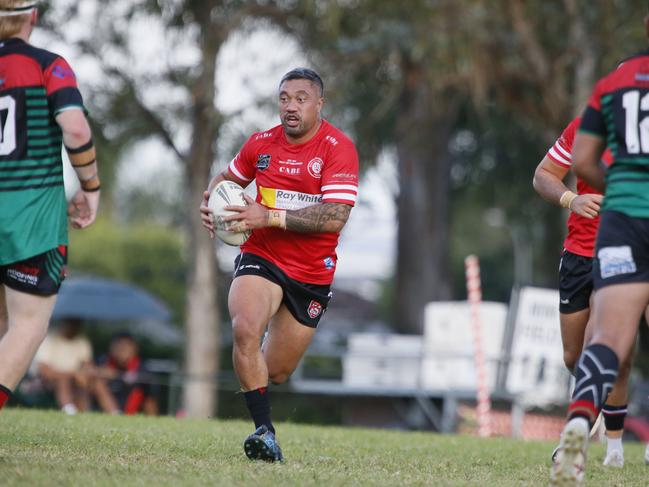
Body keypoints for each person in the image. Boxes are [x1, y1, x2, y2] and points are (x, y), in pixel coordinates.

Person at [200, 67, 358, 462]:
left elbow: (336, 215)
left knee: (278, 371)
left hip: (311, 273)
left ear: (319, 103)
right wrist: (212, 203)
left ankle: (258, 383)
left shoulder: (337, 147)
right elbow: (227, 177)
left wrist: (267, 215)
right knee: (244, 330)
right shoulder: (261, 144)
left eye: (301, 99)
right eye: (285, 98)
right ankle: (264, 433)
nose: (291, 106)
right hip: (262, 255)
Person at [551, 9, 649, 485]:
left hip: (623, 223)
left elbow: (586, 159)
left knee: (607, 340)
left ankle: (575, 427)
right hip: (592, 243)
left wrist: (626, 184)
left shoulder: (616, 84)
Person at [0, 0, 100, 411]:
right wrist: (90, 186)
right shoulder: (50, 65)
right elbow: (75, 128)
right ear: (33, 16)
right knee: (26, 325)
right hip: (29, 221)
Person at [533, 117, 637, 467]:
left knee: (601, 343)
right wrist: (569, 199)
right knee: (575, 356)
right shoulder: (585, 127)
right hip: (579, 255)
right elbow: (543, 175)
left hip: (628, 254)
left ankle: (573, 446)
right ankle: (612, 442)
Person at [33, 319, 97, 414]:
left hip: (75, 379)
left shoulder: (82, 341)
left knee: (95, 383)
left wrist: (86, 374)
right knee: (63, 380)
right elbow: (45, 371)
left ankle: (113, 412)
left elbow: (87, 365)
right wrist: (74, 374)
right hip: (46, 380)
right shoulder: (49, 340)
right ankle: (68, 409)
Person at [94, 332, 159, 416]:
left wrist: (118, 375)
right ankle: (114, 413)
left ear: (134, 348)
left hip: (132, 407)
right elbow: (87, 369)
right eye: (119, 346)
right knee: (97, 383)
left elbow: (151, 385)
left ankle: (152, 419)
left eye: (126, 347)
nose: (122, 350)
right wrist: (100, 372)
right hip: (108, 404)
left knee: (149, 396)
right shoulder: (104, 361)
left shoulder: (141, 367)